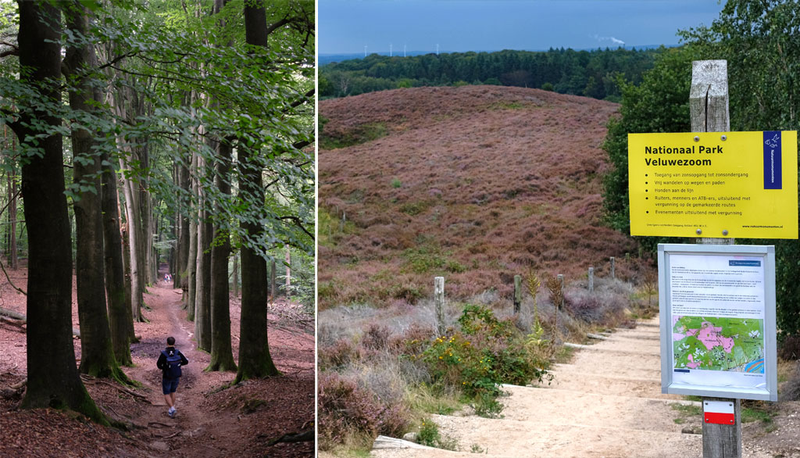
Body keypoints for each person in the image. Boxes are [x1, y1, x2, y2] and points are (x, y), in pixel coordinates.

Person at [156, 336, 189, 418]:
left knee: (166, 393)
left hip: (167, 375)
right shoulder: (177, 352)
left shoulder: (164, 353)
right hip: (176, 375)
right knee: (173, 391)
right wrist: (178, 365)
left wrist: (164, 368)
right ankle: (171, 410)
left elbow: (158, 365)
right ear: (174, 343)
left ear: (167, 343)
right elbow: (185, 361)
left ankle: (171, 408)